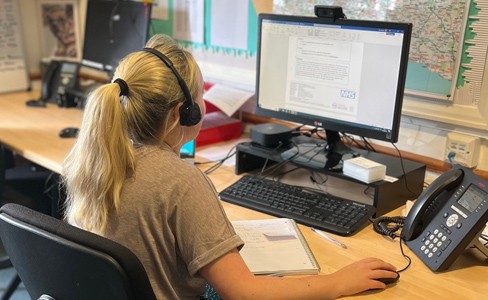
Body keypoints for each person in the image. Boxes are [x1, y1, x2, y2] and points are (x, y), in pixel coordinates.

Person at [62, 34, 398, 299]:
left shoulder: (94, 158)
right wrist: (338, 281)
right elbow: (244, 293)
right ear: (185, 113)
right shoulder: (181, 182)